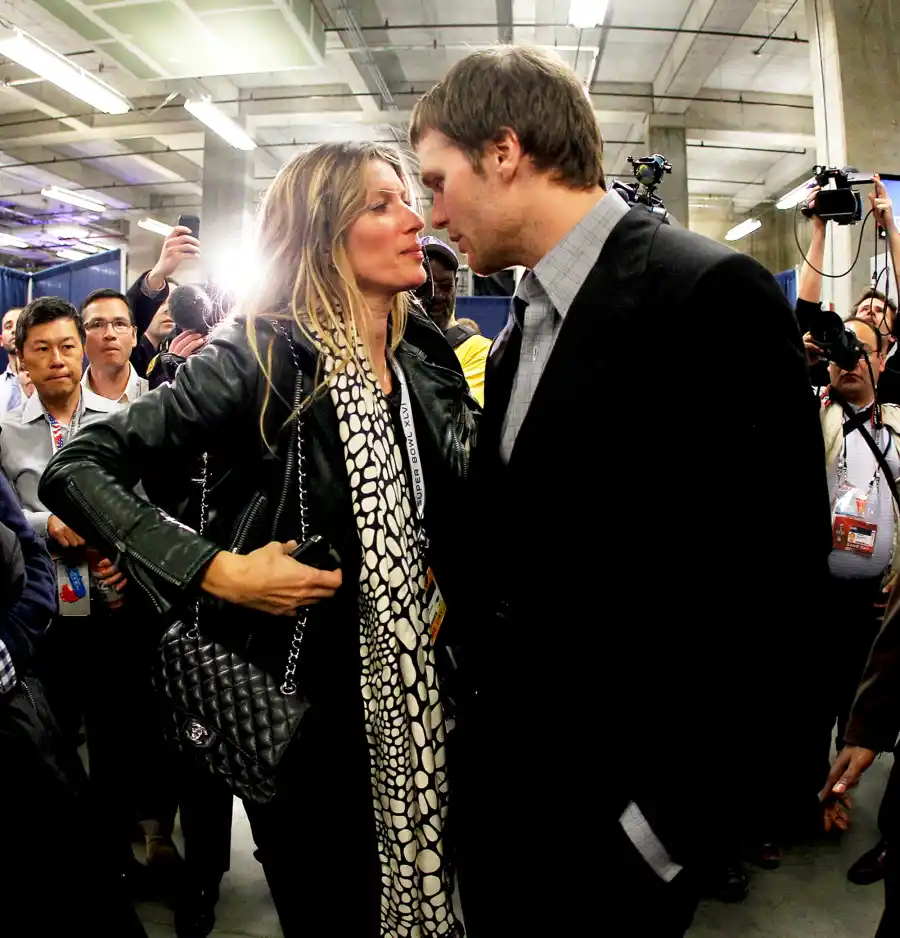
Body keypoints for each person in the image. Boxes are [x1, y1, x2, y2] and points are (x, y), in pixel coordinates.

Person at [411, 45, 831, 936]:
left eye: (436, 180)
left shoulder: (708, 295)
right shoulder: (527, 326)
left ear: (504, 152)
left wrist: (666, 832)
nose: (431, 213)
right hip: (513, 803)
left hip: (624, 833)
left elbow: (776, 590)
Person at [40, 141, 475, 938]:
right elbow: (77, 465)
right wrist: (216, 570)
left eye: (406, 199)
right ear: (321, 233)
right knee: (334, 910)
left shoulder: (424, 355)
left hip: (430, 697)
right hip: (310, 714)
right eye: (381, 205)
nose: (415, 219)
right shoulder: (262, 350)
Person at [800, 175, 900, 401]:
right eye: (864, 309)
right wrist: (819, 230)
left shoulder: (895, 378)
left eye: (879, 311)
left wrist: (890, 227)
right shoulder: (826, 367)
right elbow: (806, 310)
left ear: (893, 337)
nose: (870, 313)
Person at [415, 235, 492, 404]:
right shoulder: (395, 345)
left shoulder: (479, 351)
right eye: (425, 286)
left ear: (456, 285)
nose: (436, 296)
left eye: (445, 285)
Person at [81, 288, 149, 402]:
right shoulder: (65, 404)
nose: (109, 334)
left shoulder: (157, 397)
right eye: (97, 325)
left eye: (120, 324)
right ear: (81, 337)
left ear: (134, 336)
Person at [1, 306, 23, 411]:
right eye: (8, 327)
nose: (14, 330)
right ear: (1, 340)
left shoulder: (45, 382)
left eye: (20, 325)